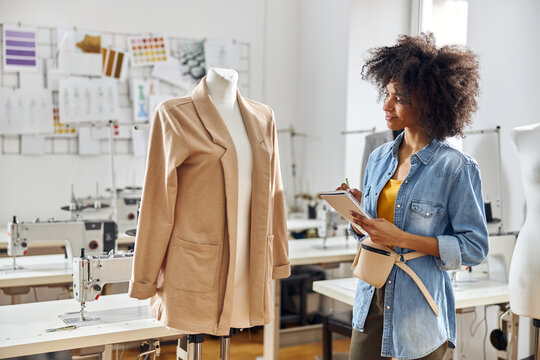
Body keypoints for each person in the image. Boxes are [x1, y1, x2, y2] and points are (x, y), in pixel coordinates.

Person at [339, 33, 489, 359]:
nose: (386, 105)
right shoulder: (379, 157)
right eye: (387, 94)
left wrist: (402, 237)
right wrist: (357, 214)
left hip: (418, 308)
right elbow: (371, 233)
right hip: (371, 299)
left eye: (399, 98)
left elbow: (475, 248)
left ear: (428, 100)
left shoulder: (456, 168)